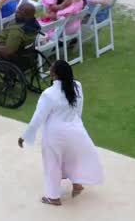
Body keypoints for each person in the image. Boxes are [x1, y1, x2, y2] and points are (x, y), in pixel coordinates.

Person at [18, 60, 103, 206]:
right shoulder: (77, 86)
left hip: (55, 135)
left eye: (51, 69)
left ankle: (53, 197)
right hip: (76, 130)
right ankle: (77, 185)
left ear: (55, 74)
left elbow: (38, 118)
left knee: (53, 164)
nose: (49, 70)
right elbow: (79, 109)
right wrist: (76, 124)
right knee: (73, 158)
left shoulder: (49, 94)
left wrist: (25, 136)